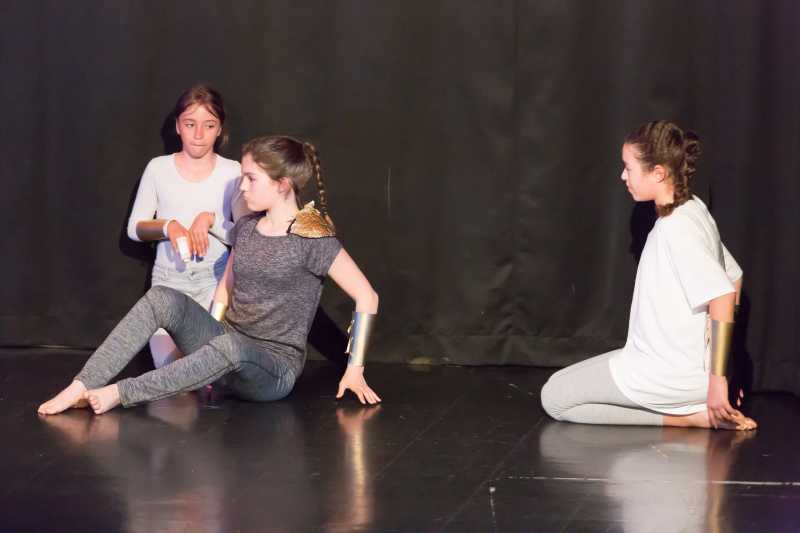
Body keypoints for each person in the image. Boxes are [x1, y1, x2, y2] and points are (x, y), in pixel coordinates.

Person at [39, 135, 380, 415]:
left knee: (231, 346)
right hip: (227, 346)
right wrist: (208, 346)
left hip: (273, 370)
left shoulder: (313, 238)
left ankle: (119, 393)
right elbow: (225, 290)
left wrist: (355, 369)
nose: (242, 187)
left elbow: (367, 296)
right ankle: (80, 385)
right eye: (243, 177)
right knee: (162, 298)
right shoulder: (248, 227)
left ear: (282, 185)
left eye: (251, 179)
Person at [541, 121, 756, 430]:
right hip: (661, 361)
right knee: (561, 381)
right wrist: (725, 363)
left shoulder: (676, 227)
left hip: (667, 374)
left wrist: (718, 380)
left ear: (658, 173)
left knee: (554, 398)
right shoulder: (693, 208)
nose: (623, 176)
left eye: (629, 168)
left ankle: (688, 418)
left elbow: (722, 293)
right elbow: (734, 276)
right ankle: (693, 407)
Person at [127, 84, 243, 368]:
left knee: (204, 371)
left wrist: (210, 220)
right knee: (171, 373)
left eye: (209, 125)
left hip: (214, 286)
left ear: (220, 129)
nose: (199, 134)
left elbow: (246, 236)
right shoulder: (158, 168)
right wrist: (169, 226)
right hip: (168, 285)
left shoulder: (233, 172)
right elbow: (134, 229)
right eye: (190, 124)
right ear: (178, 126)